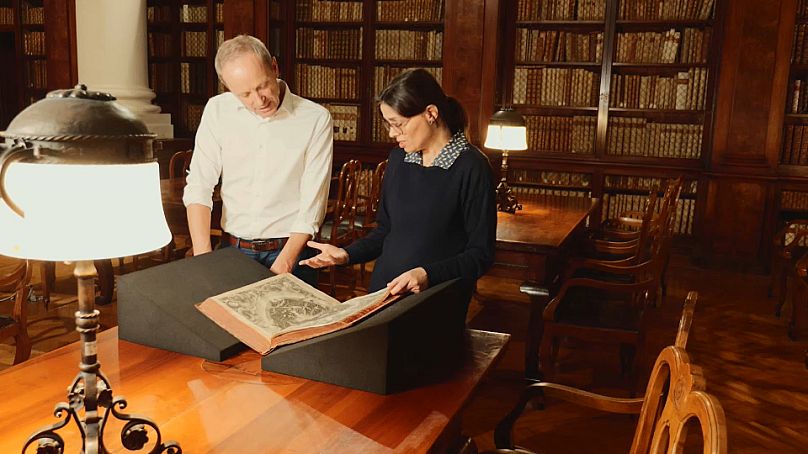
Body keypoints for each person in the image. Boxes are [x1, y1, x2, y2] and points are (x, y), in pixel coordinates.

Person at [300, 69, 496, 295]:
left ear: (430, 113)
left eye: (398, 124)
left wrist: (427, 274)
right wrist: (346, 254)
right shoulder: (399, 158)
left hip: (437, 300)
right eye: (388, 124)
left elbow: (480, 255)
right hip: (385, 291)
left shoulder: (472, 166)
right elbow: (385, 231)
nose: (392, 133)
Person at [183, 35, 333, 286]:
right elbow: (199, 185)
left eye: (263, 85)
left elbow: (312, 204)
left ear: (274, 67)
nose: (258, 100)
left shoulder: (315, 119)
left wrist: (285, 262)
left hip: (290, 250)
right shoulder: (218, 110)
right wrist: (203, 257)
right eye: (244, 94)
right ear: (227, 87)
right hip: (232, 250)